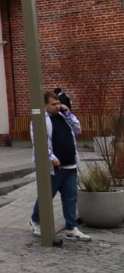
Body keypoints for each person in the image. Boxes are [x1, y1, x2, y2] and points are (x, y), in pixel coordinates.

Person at [28, 91, 91, 241]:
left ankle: (71, 228)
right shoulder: (40, 120)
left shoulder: (64, 116)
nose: (58, 107)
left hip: (70, 165)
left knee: (70, 197)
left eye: (58, 103)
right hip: (54, 167)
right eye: (54, 104)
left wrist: (69, 114)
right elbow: (39, 142)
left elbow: (78, 130)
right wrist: (51, 157)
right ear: (45, 105)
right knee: (47, 196)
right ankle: (35, 220)